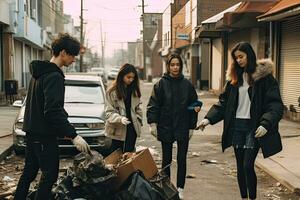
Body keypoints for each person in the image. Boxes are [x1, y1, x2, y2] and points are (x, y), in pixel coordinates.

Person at [198, 42, 283, 200]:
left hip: (253, 127)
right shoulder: (234, 79)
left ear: (249, 55)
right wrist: (208, 119)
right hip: (236, 126)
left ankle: (252, 198)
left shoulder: (264, 79)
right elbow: (223, 103)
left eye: (241, 56)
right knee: (239, 166)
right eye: (236, 58)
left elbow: (275, 105)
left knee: (247, 165)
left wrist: (265, 123)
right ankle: (243, 197)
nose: (238, 60)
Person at [14, 33, 90, 200]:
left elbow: (46, 107)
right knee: (49, 175)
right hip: (44, 136)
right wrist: (74, 135)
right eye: (73, 55)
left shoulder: (39, 73)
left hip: (32, 133)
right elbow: (52, 111)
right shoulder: (54, 76)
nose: (74, 59)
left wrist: (67, 128)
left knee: (29, 173)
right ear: (63, 52)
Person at [147, 54, 200, 199]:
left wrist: (191, 126)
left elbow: (194, 105)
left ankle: (180, 188)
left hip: (183, 125)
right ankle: (167, 188)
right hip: (166, 125)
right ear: (168, 66)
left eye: (178, 64)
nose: (175, 67)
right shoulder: (160, 84)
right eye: (172, 64)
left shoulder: (187, 85)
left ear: (181, 66)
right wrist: (153, 123)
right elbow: (153, 105)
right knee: (167, 160)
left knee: (182, 158)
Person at [105, 63, 142, 153]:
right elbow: (108, 112)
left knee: (129, 157)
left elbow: (138, 109)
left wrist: (138, 120)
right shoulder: (112, 92)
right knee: (116, 158)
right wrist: (120, 119)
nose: (131, 80)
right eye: (128, 77)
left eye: (133, 78)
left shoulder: (134, 91)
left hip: (132, 129)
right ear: (121, 76)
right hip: (117, 130)